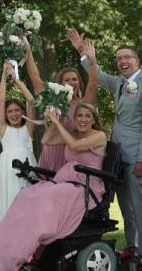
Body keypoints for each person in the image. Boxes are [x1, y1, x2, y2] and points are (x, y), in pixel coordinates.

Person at [0, 103, 107, 271]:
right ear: (75, 119)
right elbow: (45, 140)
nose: (83, 119)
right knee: (28, 194)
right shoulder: (72, 134)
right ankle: (13, 247)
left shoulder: (99, 136)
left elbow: (75, 146)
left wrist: (57, 121)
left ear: (94, 119)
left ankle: (34, 244)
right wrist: (52, 122)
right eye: (79, 116)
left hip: (86, 187)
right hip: (67, 181)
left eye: (87, 116)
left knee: (47, 195)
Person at [71, 28, 142, 267]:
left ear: (137, 61)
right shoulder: (121, 83)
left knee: (139, 206)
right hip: (118, 156)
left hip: (137, 157)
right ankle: (132, 246)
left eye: (127, 57)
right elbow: (97, 75)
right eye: (119, 58)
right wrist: (83, 52)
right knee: (125, 205)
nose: (122, 61)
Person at [24, 34, 98, 171]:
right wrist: (27, 48)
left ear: (79, 83)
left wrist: (92, 61)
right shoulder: (52, 99)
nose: (71, 83)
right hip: (51, 151)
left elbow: (93, 84)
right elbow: (35, 78)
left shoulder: (83, 104)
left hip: (72, 153)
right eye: (67, 80)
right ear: (61, 83)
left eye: (74, 79)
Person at [0, 60, 37, 222]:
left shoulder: (28, 129)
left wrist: (16, 79)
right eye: (10, 111)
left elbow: (32, 101)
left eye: (17, 110)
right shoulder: (3, 129)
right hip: (7, 168)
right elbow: (1, 101)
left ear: (23, 112)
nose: (14, 114)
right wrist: (4, 76)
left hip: (27, 165)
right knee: (10, 202)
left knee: (27, 204)